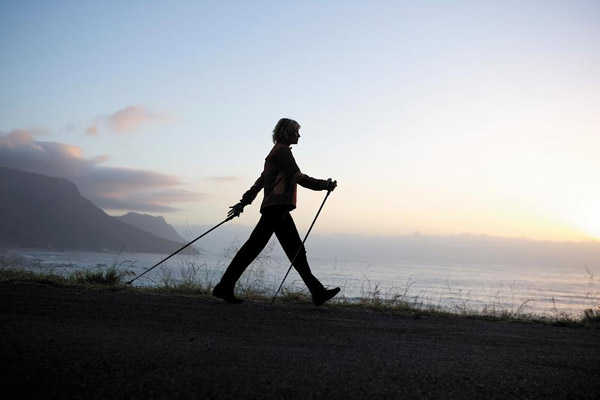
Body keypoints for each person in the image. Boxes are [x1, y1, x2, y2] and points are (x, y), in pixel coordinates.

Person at [212, 118, 340, 306]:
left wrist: (243, 203)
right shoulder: (282, 153)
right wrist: (324, 185)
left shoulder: (275, 152)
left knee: (269, 249)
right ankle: (317, 292)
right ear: (286, 132)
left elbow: (260, 181)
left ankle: (317, 292)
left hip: (274, 208)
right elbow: (299, 178)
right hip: (277, 208)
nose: (299, 135)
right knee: (287, 250)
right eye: (296, 131)